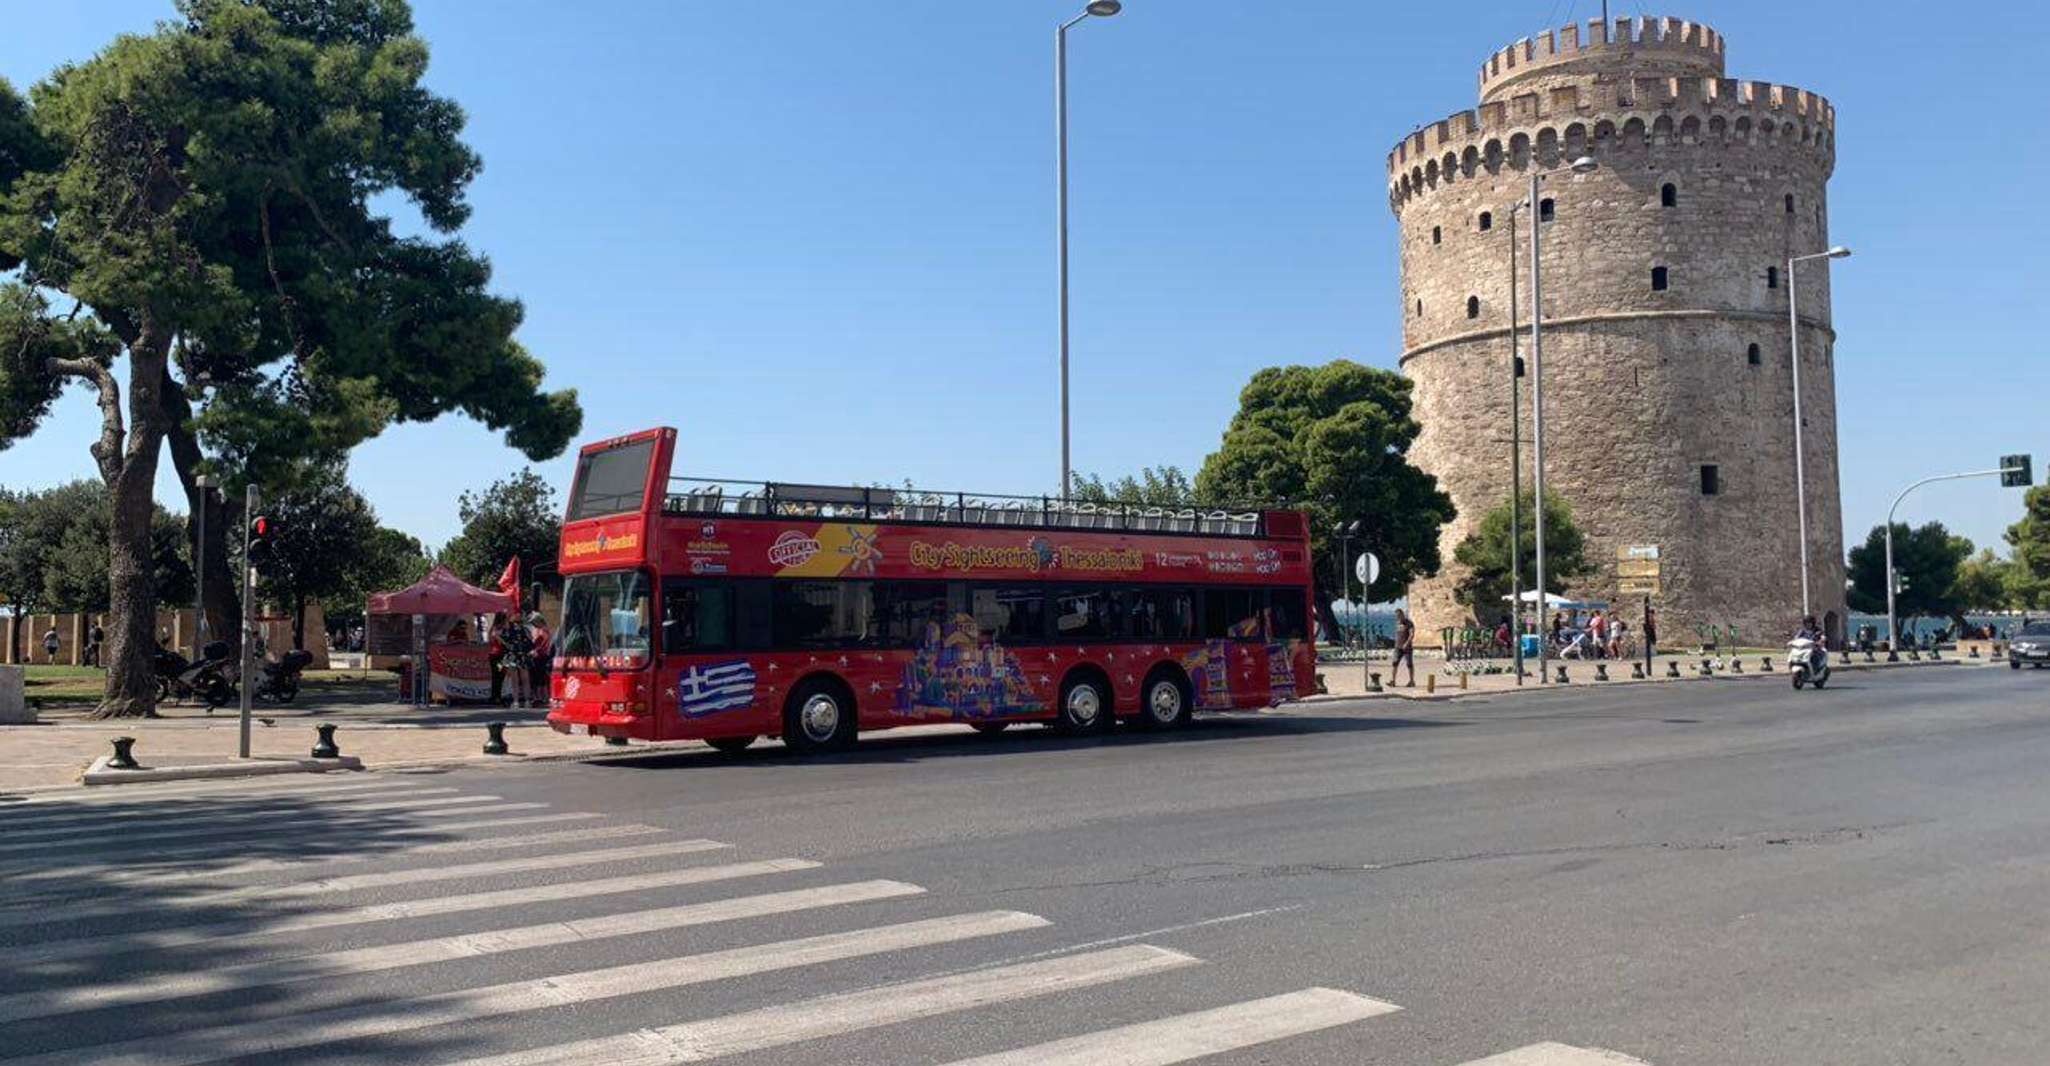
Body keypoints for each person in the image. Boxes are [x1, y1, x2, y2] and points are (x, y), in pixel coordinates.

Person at [497, 615, 534, 710]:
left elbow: (506, 644)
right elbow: (531, 642)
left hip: (512, 657)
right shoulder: (525, 629)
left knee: (515, 680)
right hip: (523, 656)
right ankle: (527, 701)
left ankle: (516, 702)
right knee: (525, 679)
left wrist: (499, 639)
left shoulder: (507, 631)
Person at [526, 612, 553, 698]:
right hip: (538, 655)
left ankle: (541, 696)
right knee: (538, 677)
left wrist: (535, 650)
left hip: (541, 655)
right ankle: (540, 695)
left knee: (540, 677)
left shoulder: (543, 630)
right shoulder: (538, 629)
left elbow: (543, 643)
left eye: (533, 622)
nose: (533, 624)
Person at [1392, 607, 1417, 687]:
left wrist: (1407, 643)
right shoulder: (1398, 623)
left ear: (1402, 614)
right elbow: (1397, 634)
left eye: (1399, 615)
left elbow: (1411, 634)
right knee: (1395, 663)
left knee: (1409, 664)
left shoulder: (1409, 623)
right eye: (1397, 616)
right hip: (1398, 647)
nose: (1398, 617)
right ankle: (1393, 681)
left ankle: (1412, 681)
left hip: (1407, 647)